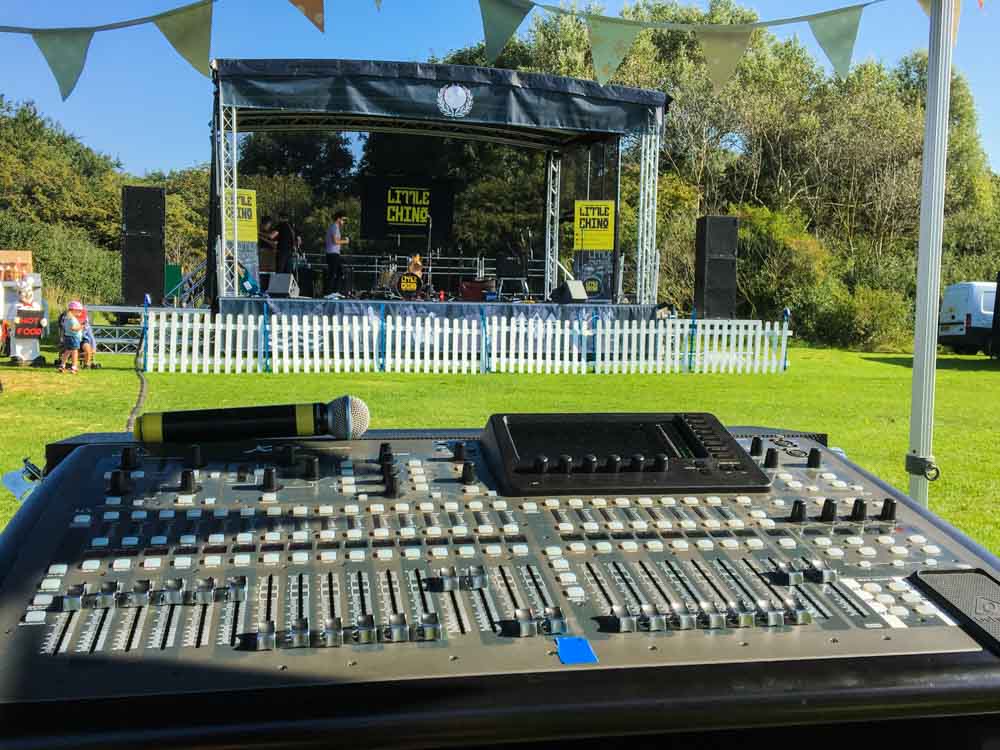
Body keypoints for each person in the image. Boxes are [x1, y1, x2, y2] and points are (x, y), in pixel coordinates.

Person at [324, 210, 350, 295]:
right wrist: (345, 241)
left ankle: (334, 292)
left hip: (334, 254)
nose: (344, 222)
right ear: (338, 219)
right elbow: (335, 241)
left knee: (339, 272)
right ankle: (329, 293)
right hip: (332, 254)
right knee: (333, 273)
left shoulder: (335, 227)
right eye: (343, 220)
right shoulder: (334, 227)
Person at [58, 301, 84, 374]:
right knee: (75, 353)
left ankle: (62, 365)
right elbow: (73, 328)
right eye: (79, 310)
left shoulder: (66, 318)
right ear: (73, 310)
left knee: (67, 352)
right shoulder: (72, 319)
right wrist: (80, 327)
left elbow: (65, 327)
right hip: (74, 338)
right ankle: (74, 367)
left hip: (67, 337)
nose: (80, 312)